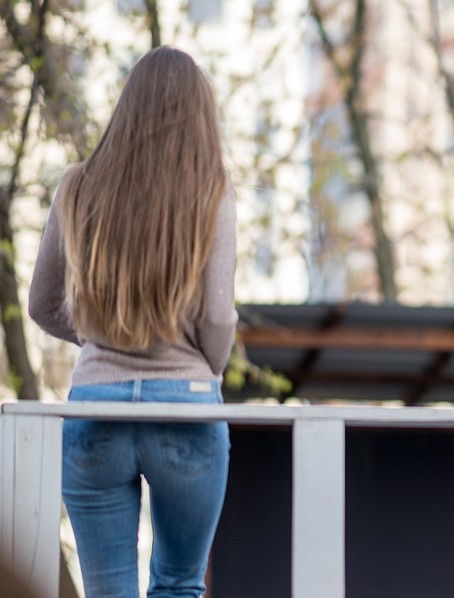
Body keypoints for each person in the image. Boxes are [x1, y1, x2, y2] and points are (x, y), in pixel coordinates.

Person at [28, 46, 237, 598]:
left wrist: (106, 339)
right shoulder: (212, 193)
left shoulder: (77, 186)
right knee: (178, 585)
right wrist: (200, 367)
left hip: (96, 405)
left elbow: (42, 304)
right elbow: (217, 316)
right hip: (187, 405)